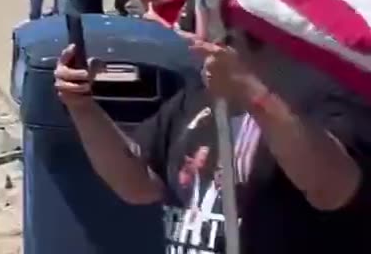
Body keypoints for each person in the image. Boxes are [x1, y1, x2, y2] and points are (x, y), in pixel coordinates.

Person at [55, 30, 371, 251]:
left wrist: (251, 92)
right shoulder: (197, 97)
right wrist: (83, 107)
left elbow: (332, 188)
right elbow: (137, 184)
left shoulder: (329, 93)